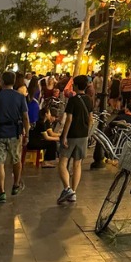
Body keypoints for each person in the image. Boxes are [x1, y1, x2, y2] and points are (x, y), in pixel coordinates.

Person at [0, 71, 30, 203]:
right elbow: (25, 118)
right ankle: (16, 184)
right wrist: (26, 133)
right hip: (15, 132)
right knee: (16, 160)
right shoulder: (20, 97)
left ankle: (1, 192)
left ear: (2, 82)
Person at [57, 75, 94, 205]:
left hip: (72, 135)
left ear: (76, 86)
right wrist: (87, 134)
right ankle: (73, 192)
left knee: (62, 162)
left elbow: (69, 119)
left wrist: (64, 136)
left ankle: (67, 188)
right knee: (77, 164)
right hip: (83, 136)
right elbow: (91, 119)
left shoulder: (73, 100)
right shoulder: (89, 100)